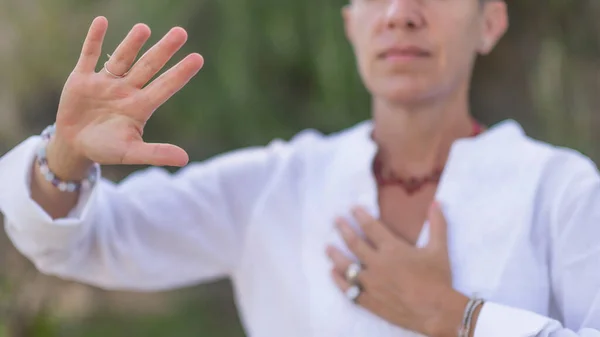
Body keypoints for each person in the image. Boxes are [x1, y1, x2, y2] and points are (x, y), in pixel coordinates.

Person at [1, 0, 600, 336]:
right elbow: (84, 242)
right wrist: (67, 157)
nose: (400, 13)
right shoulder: (275, 185)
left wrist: (457, 318)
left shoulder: (562, 191)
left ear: (490, 21)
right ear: (351, 23)